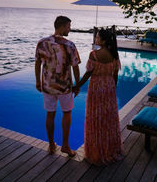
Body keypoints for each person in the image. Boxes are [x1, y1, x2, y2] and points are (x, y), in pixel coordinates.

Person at [73, 28, 124, 165]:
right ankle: (110, 149)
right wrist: (112, 89)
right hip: (109, 88)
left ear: (104, 40)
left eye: (97, 37)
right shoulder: (114, 55)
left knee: (95, 118)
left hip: (96, 88)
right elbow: (115, 76)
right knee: (108, 119)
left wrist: (77, 85)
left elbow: (88, 74)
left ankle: (97, 152)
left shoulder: (93, 55)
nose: (95, 39)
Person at [35, 16, 80, 156]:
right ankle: (65, 146)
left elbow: (37, 63)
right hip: (65, 87)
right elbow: (75, 67)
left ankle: (51, 145)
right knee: (66, 113)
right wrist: (77, 84)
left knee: (50, 114)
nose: (70, 29)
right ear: (61, 26)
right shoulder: (70, 45)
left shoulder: (42, 43)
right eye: (68, 26)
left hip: (48, 86)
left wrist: (38, 81)